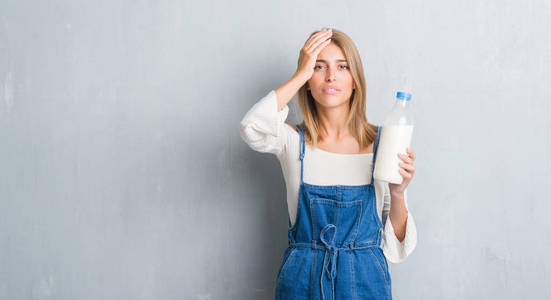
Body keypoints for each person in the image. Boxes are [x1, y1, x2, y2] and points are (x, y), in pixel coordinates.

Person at [239, 27, 417, 300]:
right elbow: (252, 126)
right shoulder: (291, 141)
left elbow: (396, 249)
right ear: (308, 82)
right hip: (302, 280)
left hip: (365, 281)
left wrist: (398, 192)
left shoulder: (384, 143)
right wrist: (300, 73)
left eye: (343, 67)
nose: (331, 76)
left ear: (356, 80)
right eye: (319, 67)